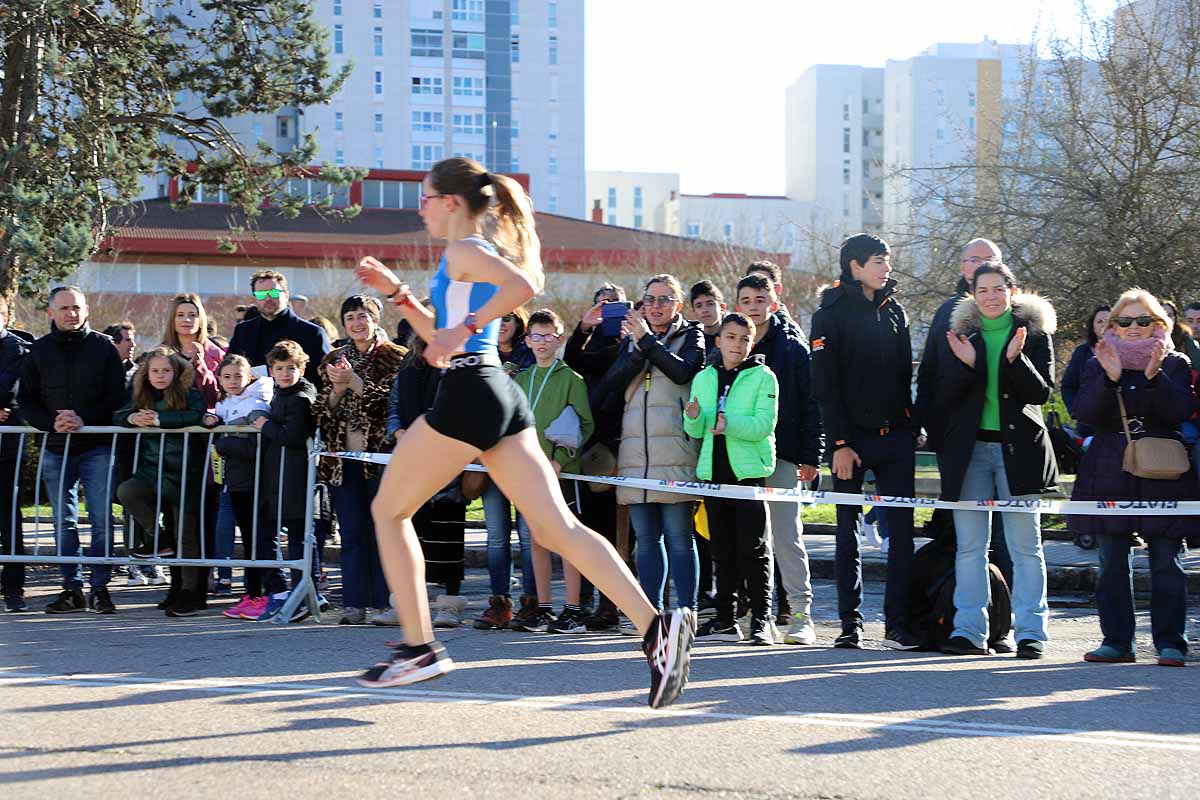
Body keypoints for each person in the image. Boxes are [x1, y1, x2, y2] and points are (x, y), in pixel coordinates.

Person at [354, 156, 694, 707]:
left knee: (388, 511)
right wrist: (397, 294)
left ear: (452, 203)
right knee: (558, 529)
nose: (420, 209)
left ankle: (418, 647)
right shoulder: (456, 259)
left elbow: (525, 284)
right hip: (495, 393)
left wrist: (459, 330)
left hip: (469, 394)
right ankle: (657, 630)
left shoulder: (466, 250)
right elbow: (439, 335)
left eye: (425, 198)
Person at [935, 262, 1057, 659]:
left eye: (997, 288)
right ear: (973, 293)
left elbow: (1040, 395)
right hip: (970, 453)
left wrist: (1015, 359)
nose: (990, 296)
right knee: (970, 547)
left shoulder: (1034, 332)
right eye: (982, 289)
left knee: (1026, 547)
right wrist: (969, 366)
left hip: (1019, 453)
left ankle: (1031, 634)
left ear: (1012, 290)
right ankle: (969, 630)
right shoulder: (958, 334)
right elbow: (945, 398)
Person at [1072, 289, 1195, 667]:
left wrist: (1155, 376)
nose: (1134, 328)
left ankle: (1171, 643)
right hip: (1110, 465)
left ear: (1159, 324)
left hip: (1162, 467)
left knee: (1165, 559)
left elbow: (1180, 412)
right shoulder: (1098, 360)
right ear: (1112, 326)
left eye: (1144, 320)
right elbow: (1085, 414)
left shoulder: (1174, 361)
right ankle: (1117, 641)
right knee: (1111, 558)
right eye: (1124, 321)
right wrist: (1109, 378)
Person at [810, 234, 920, 650]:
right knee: (847, 534)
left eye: (887, 260)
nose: (886, 267)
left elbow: (901, 377)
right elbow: (825, 386)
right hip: (850, 443)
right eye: (878, 261)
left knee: (903, 535)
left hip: (895, 440)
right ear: (855, 266)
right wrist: (838, 443)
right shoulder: (830, 315)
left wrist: (911, 423)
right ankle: (849, 624)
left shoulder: (896, 311)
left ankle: (898, 625)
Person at [595, 274, 705, 620]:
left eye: (664, 299)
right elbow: (610, 385)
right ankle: (651, 613)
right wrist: (638, 346)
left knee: (679, 538)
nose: (655, 307)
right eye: (650, 300)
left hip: (675, 453)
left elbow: (682, 373)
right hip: (635, 455)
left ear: (678, 304)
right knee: (646, 538)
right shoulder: (633, 340)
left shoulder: (692, 335)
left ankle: (687, 610)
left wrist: (648, 343)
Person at [20, 286, 127, 615]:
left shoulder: (104, 348)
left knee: (100, 520)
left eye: (76, 308)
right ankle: (71, 588)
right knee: (62, 523)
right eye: (64, 308)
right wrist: (52, 422)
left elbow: (117, 397)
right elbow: (26, 399)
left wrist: (84, 420)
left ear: (87, 310)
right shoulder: (38, 351)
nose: (71, 314)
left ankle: (100, 587)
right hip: (56, 447)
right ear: (50, 313)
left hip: (96, 447)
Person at [736, 272, 824, 644]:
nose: (753, 308)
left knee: (787, 537)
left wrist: (811, 455)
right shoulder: (730, 341)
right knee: (751, 540)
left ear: (773, 301)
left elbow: (811, 404)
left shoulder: (792, 347)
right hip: (741, 457)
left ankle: (802, 615)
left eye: (760, 300)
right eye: (746, 301)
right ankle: (758, 614)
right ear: (736, 305)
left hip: (784, 456)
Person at [686, 312, 778, 645]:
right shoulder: (705, 377)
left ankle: (762, 619)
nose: (736, 344)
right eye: (730, 337)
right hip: (714, 474)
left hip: (748, 474)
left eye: (743, 338)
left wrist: (730, 424)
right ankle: (726, 620)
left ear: (751, 343)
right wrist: (693, 417)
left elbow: (763, 426)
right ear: (718, 340)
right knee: (721, 549)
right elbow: (695, 429)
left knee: (753, 549)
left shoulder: (764, 377)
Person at [313, 296, 406, 625]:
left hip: (381, 459)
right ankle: (353, 603)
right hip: (342, 462)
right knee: (352, 532)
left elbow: (392, 405)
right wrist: (337, 390)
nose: (357, 323)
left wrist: (355, 383)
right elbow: (320, 411)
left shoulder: (396, 357)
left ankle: (386, 601)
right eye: (350, 316)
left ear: (376, 319)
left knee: (383, 530)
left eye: (363, 316)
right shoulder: (334, 358)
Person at [506, 309, 596, 634]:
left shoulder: (571, 379)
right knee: (537, 540)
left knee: (567, 540)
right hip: (527, 472)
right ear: (527, 340)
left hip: (560, 472)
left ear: (560, 338)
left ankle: (573, 609)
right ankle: (543, 608)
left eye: (550, 336)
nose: (543, 342)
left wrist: (560, 459)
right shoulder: (521, 379)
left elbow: (582, 423)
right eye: (536, 336)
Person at [116, 347, 208, 616]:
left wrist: (159, 419)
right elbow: (117, 415)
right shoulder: (140, 395)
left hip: (184, 472)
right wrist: (132, 417)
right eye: (155, 370)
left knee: (187, 536)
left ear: (176, 372)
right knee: (127, 490)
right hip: (151, 470)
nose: (160, 375)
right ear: (146, 373)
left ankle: (190, 593)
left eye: (166, 370)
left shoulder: (190, 394)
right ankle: (159, 538)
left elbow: (195, 415)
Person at [563, 281, 629, 631]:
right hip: (593, 449)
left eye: (615, 304)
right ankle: (592, 599)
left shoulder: (630, 342)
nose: (609, 310)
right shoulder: (588, 345)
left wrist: (629, 329)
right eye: (602, 304)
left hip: (624, 444)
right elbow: (572, 360)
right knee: (594, 527)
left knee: (628, 534)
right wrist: (583, 327)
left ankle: (617, 601)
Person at [248, 340, 318, 622]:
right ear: (271, 370)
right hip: (279, 474)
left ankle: (304, 589)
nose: (286, 373)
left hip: (295, 475)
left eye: (291, 368)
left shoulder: (301, 397)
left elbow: (292, 437)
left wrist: (265, 425)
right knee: (286, 533)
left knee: (300, 535)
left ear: (302, 368)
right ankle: (294, 590)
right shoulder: (281, 393)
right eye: (280, 368)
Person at [209, 354, 275, 619]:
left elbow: (256, 444)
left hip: (253, 480)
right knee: (247, 540)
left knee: (256, 539)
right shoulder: (224, 403)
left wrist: (222, 444)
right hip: (234, 481)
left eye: (238, 376)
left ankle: (262, 594)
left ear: (249, 377)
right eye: (227, 376)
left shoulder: (258, 402)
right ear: (220, 379)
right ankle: (251, 593)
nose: (233, 381)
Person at [228, 270, 330, 386]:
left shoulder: (312, 333)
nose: (267, 298)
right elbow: (231, 369)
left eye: (273, 293)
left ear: (286, 295)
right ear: (255, 298)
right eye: (261, 294)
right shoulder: (243, 331)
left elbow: (323, 380)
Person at [0, 298, 30, 612]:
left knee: (9, 517)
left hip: (6, 450)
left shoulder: (16, 348)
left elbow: (7, 390)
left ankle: (13, 587)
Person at [163, 294, 225, 409]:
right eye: (180, 315)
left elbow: (218, 398)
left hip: (207, 420)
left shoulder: (217, 355)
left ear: (200, 320)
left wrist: (200, 367)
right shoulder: (161, 353)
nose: (186, 320)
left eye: (192, 315)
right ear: (172, 320)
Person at [1061, 305, 1111, 429]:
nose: (1104, 325)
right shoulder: (1081, 353)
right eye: (1099, 321)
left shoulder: (1127, 352)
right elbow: (1068, 386)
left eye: (1108, 321)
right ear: (1093, 327)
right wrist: (1075, 410)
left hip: (1117, 425)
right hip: (1087, 426)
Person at [689, 280, 727, 354]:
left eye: (710, 304)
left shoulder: (733, 337)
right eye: (699, 306)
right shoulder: (690, 341)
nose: (705, 310)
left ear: (722, 307)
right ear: (694, 312)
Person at [1162, 300, 1200, 368]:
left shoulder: (1185, 339)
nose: (1195, 326)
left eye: (1170, 315)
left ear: (1175, 317)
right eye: (1162, 315)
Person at [498, 307, 535, 373]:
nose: (500, 324)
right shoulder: (480, 353)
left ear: (517, 322)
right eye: (494, 319)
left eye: (506, 318)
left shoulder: (533, 350)